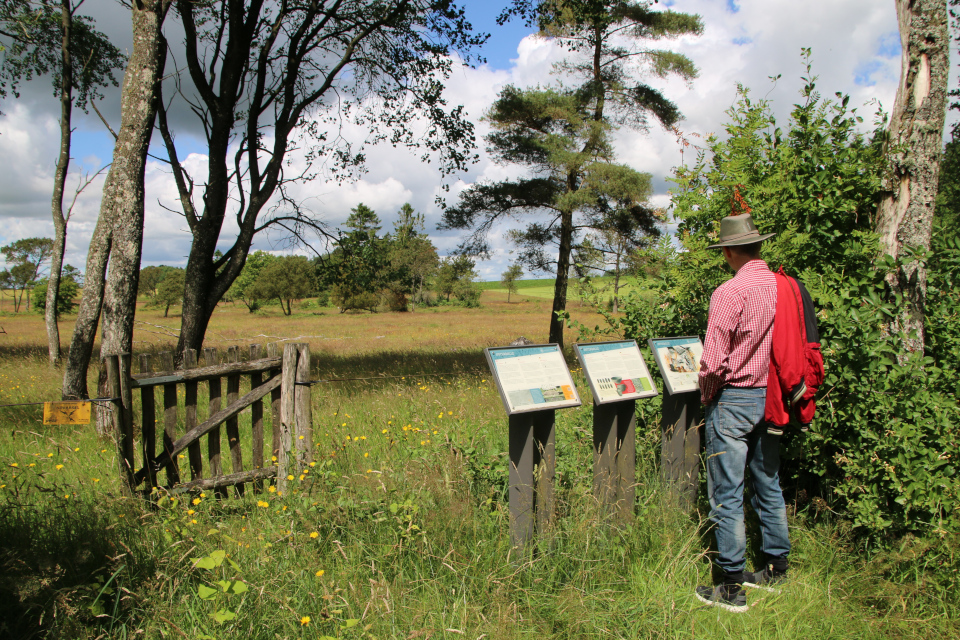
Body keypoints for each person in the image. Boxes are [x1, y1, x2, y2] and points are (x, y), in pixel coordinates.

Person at [694, 213, 790, 613]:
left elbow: (714, 362)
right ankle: (775, 568)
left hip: (735, 398)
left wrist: (708, 396)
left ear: (729, 251)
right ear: (759, 246)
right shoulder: (785, 287)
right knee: (768, 481)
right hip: (774, 398)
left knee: (727, 492)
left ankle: (731, 587)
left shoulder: (730, 292)